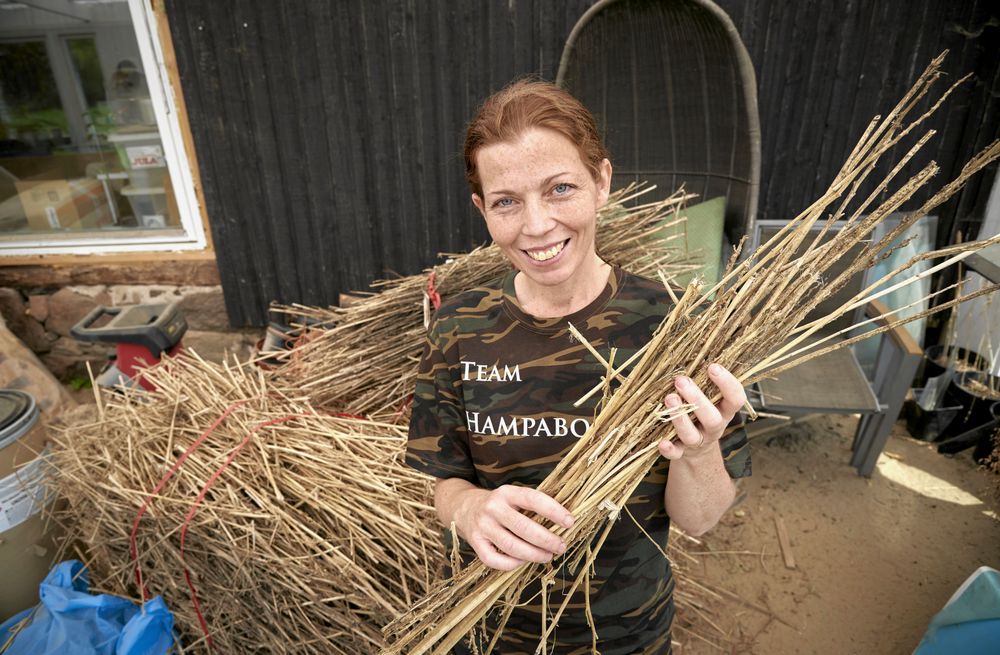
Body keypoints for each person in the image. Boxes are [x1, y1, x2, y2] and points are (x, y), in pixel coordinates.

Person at [406, 79, 751, 655]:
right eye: (506, 201)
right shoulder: (459, 328)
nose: (536, 225)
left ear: (602, 183)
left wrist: (698, 452)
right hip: (489, 629)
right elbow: (444, 479)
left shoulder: (679, 326)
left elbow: (700, 521)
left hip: (623, 635)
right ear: (482, 209)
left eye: (560, 188)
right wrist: (467, 508)